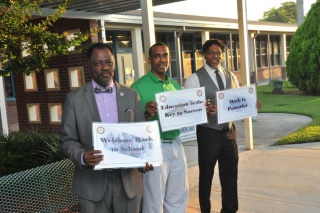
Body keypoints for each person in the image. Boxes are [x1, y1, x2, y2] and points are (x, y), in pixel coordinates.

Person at [60, 43, 153, 213]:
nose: (104, 68)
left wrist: (144, 159)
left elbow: (142, 135)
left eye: (108, 62)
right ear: (89, 66)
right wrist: (81, 156)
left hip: (128, 182)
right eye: (98, 63)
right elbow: (67, 139)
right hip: (92, 183)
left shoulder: (132, 95)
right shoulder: (74, 99)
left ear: (114, 64)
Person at [184, 39, 261, 213]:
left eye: (218, 53)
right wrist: (204, 112)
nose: (215, 56)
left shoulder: (230, 75)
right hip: (208, 133)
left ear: (222, 55)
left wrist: (251, 104)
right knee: (206, 176)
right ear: (204, 55)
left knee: (230, 174)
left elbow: (238, 101)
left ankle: (229, 209)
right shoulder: (195, 79)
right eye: (211, 52)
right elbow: (187, 110)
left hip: (228, 132)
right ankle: (205, 210)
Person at [131, 42, 189, 213]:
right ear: (149, 60)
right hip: (154, 147)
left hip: (176, 145)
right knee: (154, 202)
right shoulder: (137, 88)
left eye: (165, 55)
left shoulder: (176, 86)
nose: (162, 59)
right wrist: (147, 114)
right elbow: (131, 123)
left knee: (179, 197)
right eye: (157, 56)